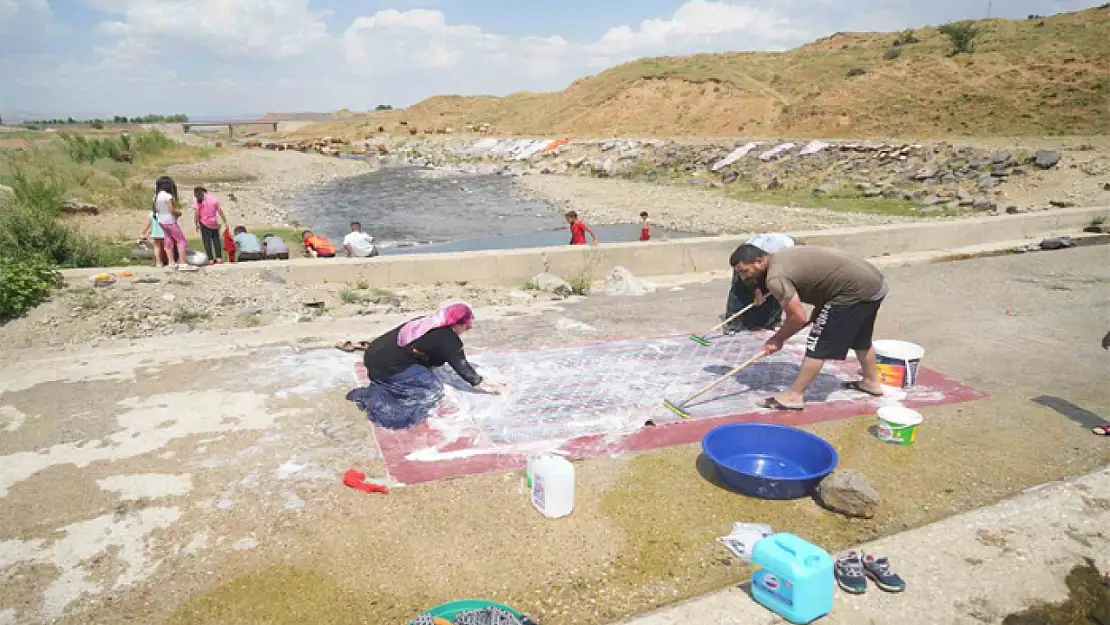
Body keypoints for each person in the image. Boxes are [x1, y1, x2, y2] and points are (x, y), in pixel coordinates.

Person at [731, 244, 889, 411]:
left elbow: (798, 317)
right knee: (860, 337)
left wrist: (778, 338)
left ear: (759, 261)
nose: (743, 277)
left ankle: (794, 396)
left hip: (854, 291)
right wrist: (818, 312)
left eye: (745, 271)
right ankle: (871, 382)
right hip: (874, 284)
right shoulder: (780, 257)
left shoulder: (775, 278)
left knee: (817, 342)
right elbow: (824, 279)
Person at [345, 303, 506, 430]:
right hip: (387, 368)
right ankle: (388, 392)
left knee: (425, 371)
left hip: (374, 355)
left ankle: (392, 380)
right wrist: (488, 385)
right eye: (467, 325)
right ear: (457, 324)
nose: (469, 328)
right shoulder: (449, 340)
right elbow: (464, 369)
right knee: (432, 388)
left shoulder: (427, 322)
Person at [724, 234, 796, 333]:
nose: (743, 275)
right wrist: (756, 291)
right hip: (749, 258)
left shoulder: (785, 255)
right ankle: (733, 324)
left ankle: (773, 322)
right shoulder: (746, 260)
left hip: (770, 259)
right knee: (739, 288)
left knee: (775, 288)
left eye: (744, 272)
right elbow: (747, 277)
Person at [152, 176, 186, 267]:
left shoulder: (156, 196)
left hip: (161, 221)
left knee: (168, 240)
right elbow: (171, 210)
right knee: (181, 240)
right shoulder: (168, 196)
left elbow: (156, 209)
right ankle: (182, 262)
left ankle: (171, 262)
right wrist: (178, 213)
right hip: (170, 220)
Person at [192, 187, 228, 264]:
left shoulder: (197, 201)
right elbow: (220, 211)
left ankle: (211, 260)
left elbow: (197, 213)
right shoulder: (213, 199)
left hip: (204, 223)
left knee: (207, 242)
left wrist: (196, 223)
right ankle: (219, 258)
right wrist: (225, 221)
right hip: (214, 223)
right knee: (216, 241)